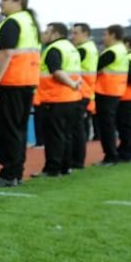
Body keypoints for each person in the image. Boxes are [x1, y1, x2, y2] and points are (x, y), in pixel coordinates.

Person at [0, 0, 41, 188]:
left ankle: (9, 174)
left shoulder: (13, 22)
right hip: (24, 83)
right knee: (17, 130)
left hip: (10, 84)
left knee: (7, 131)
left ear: (19, 2)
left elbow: (6, 54)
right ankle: (14, 173)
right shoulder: (29, 23)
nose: (1, 3)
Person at [34, 22, 82, 177]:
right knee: (66, 135)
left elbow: (56, 71)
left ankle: (52, 169)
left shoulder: (54, 49)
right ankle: (65, 167)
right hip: (72, 99)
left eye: (47, 32)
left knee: (54, 136)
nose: (44, 35)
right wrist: (74, 85)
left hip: (56, 98)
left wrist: (72, 84)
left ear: (55, 33)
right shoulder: (71, 48)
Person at [93, 24, 129, 165]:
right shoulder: (122, 50)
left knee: (106, 126)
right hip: (115, 90)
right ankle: (112, 154)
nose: (104, 38)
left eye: (105, 34)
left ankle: (110, 156)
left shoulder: (113, 51)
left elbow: (94, 67)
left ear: (113, 35)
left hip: (106, 90)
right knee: (109, 125)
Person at [69, 23, 98, 169]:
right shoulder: (90, 48)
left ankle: (76, 161)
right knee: (78, 128)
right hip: (85, 91)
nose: (72, 36)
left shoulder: (82, 50)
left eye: (75, 33)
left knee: (76, 128)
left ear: (85, 33)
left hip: (81, 91)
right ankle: (77, 160)